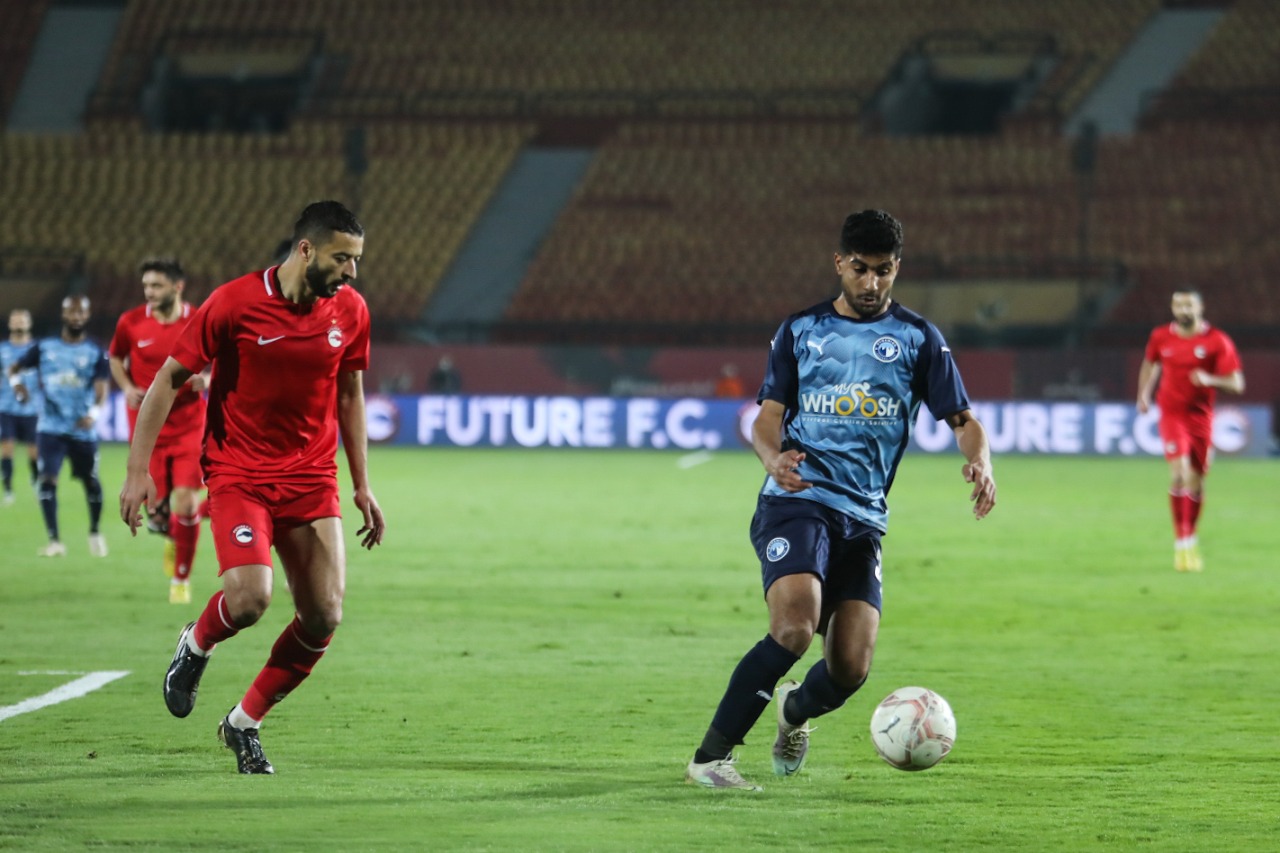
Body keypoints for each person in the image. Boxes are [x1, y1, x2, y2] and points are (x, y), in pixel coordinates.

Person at [684, 209, 996, 791]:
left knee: (850, 668)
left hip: (864, 518)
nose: (872, 282)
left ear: (897, 267)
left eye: (884, 270)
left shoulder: (918, 338)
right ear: (838, 263)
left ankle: (793, 710)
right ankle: (710, 758)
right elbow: (767, 418)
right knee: (794, 628)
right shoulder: (801, 330)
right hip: (797, 500)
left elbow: (964, 420)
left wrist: (981, 460)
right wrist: (772, 459)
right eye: (860, 269)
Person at [119, 200, 386, 775]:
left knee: (324, 615)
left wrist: (363, 484)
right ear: (306, 250)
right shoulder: (235, 303)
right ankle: (196, 643)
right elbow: (168, 380)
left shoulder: (351, 311)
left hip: (311, 477)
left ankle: (243, 723)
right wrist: (138, 470)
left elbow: (350, 394)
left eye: (357, 260)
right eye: (343, 258)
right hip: (239, 472)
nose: (352, 272)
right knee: (249, 600)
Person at [109, 257, 208, 603]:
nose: (149, 292)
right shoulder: (131, 322)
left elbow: (226, 356)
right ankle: (172, 531)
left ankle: (181, 579)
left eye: (156, 285)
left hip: (188, 425)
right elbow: (115, 357)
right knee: (159, 515)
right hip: (149, 430)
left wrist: (208, 378)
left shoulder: (198, 319)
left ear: (177, 287)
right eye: (146, 286)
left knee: (186, 500)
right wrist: (125, 386)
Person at [1136, 289, 1244, 572]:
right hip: (1172, 415)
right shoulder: (1161, 336)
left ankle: (1191, 536)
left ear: (1200, 307)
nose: (1183, 310)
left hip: (1200, 418)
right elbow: (1150, 362)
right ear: (1172, 307)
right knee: (1179, 474)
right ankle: (1181, 543)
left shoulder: (1217, 340)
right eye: (1178, 305)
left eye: (1189, 305)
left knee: (1196, 482)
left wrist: (1210, 379)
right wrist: (1143, 394)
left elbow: (1237, 383)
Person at [8, 296, 111, 557]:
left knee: (91, 482)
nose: (76, 317)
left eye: (81, 312)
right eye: (71, 312)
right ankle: (55, 541)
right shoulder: (44, 347)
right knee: (47, 481)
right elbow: (13, 369)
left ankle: (95, 531)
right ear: (63, 315)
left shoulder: (95, 352)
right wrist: (17, 386)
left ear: (87, 316)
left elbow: (102, 389)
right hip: (50, 428)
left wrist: (93, 414)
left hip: (82, 430)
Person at [1, 309, 41, 506]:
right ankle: (8, 489)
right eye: (15, 320)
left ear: (29, 323)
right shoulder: (2, 350)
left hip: (32, 409)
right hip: (6, 408)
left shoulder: (38, 349)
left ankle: (36, 481)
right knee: (7, 448)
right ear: (10, 324)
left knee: (34, 452)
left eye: (22, 320)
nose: (18, 324)